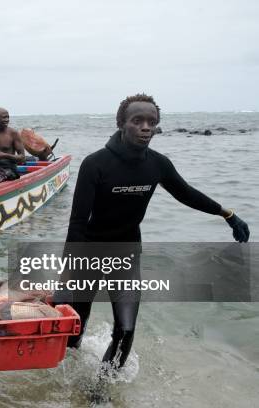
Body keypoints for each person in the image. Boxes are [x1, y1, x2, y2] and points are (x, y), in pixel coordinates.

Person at [61, 93, 250, 370]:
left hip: (126, 255)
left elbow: (186, 193)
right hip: (88, 255)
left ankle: (100, 393)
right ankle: (64, 375)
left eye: (152, 122)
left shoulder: (157, 164)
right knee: (74, 328)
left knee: (125, 332)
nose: (146, 127)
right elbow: (77, 222)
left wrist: (227, 214)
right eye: (137, 121)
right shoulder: (96, 164)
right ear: (121, 124)